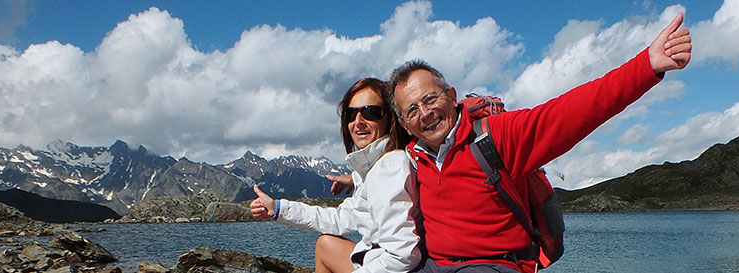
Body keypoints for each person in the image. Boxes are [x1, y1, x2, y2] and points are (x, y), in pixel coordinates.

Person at [385, 13, 692, 273]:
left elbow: (570, 113)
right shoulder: (411, 157)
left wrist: (646, 66)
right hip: (435, 266)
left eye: (430, 99)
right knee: (339, 252)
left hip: (493, 265)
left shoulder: (496, 135)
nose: (425, 113)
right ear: (403, 123)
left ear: (451, 96)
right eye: (412, 109)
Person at [250, 78, 421, 273]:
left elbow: (403, 255)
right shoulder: (373, 168)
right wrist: (279, 208)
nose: (358, 122)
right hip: (379, 258)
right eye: (350, 114)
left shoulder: (389, 168)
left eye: (370, 112)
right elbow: (340, 218)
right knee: (325, 245)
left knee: (325, 246)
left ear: (389, 118)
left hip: (394, 266)